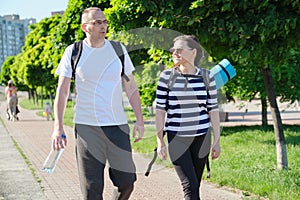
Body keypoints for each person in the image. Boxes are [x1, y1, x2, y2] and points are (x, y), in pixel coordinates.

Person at [51, 7, 144, 200]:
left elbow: (131, 88)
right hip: (87, 128)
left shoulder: (118, 49)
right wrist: (57, 126)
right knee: (92, 189)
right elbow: (62, 91)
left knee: (127, 182)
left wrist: (140, 120)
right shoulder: (74, 51)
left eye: (105, 21)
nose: (103, 26)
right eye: (97, 22)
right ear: (85, 27)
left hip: (117, 127)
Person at [155, 35, 221, 200]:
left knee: (195, 185)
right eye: (173, 50)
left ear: (193, 52)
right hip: (177, 138)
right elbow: (160, 110)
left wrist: (217, 140)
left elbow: (213, 110)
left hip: (202, 138)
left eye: (179, 50)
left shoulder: (206, 76)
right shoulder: (166, 77)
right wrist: (159, 141)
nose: (174, 53)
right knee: (189, 185)